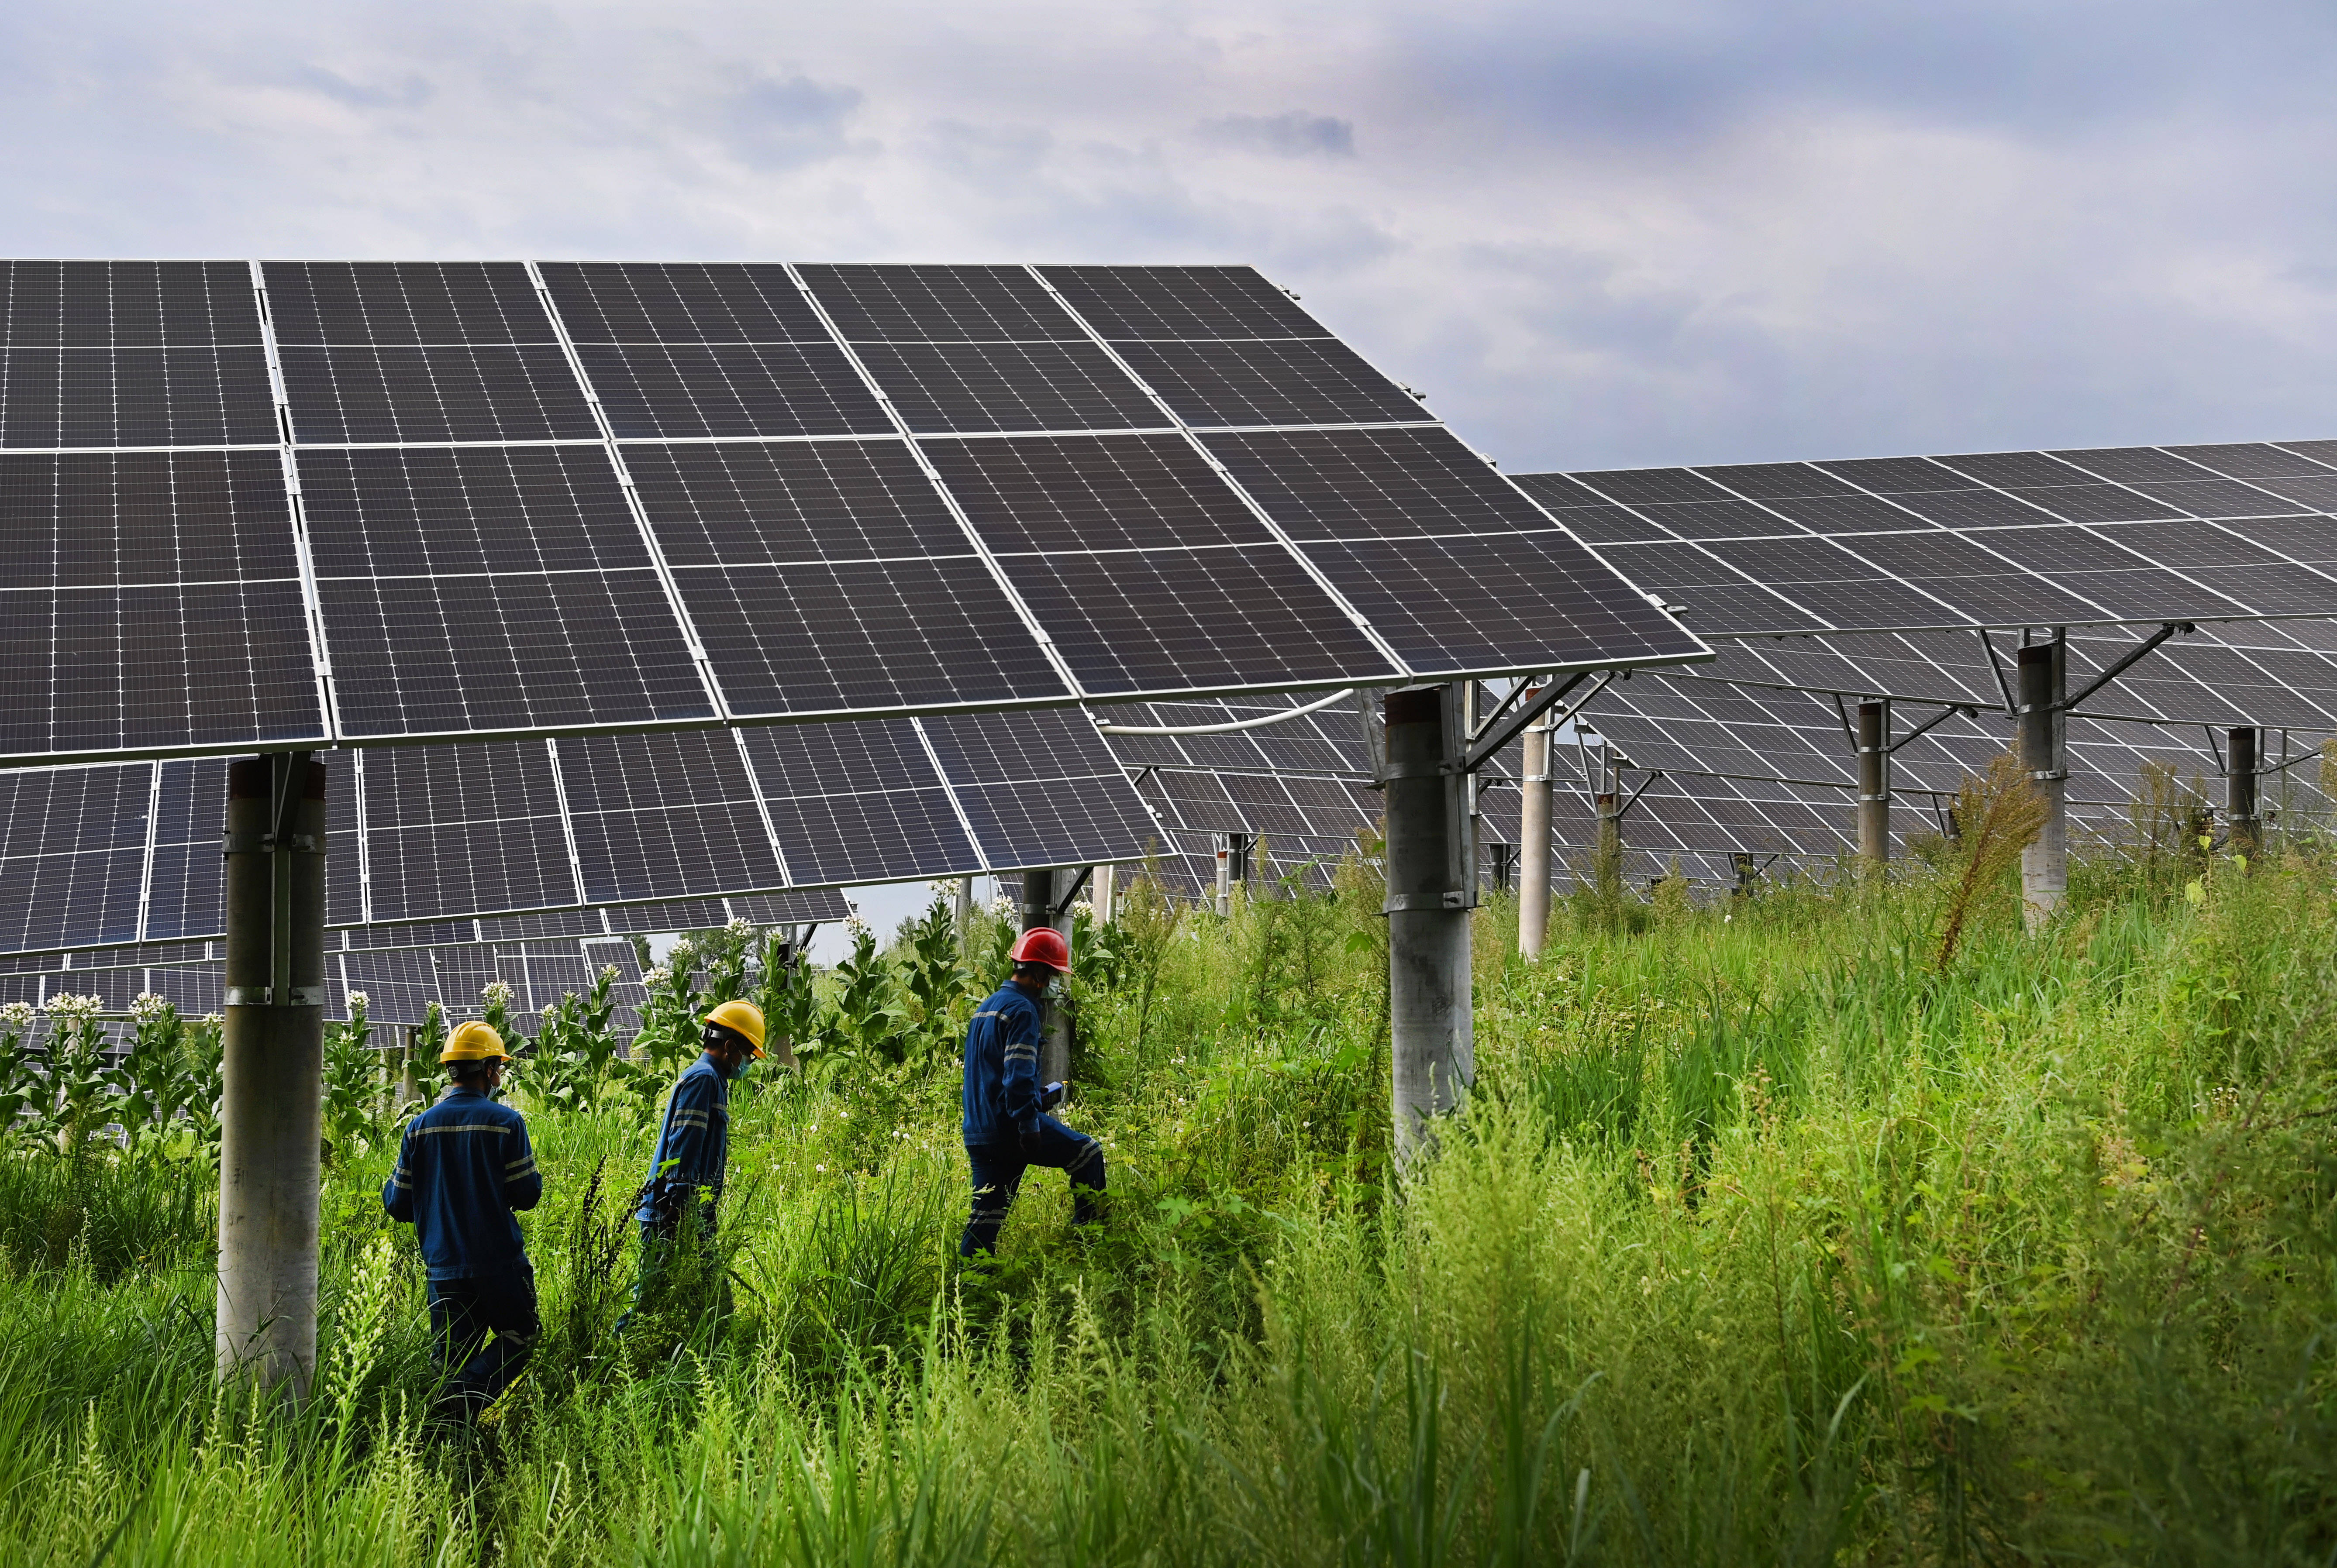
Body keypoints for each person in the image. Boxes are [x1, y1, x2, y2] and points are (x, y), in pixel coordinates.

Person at [382, 1020, 542, 1423]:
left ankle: (440, 1430)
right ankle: (465, 1399)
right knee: (521, 1336)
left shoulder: (418, 1128)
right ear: (488, 1070)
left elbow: (398, 1204)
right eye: (499, 1069)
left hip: (443, 1266)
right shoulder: (506, 1123)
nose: (499, 1076)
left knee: (449, 1358)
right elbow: (527, 1196)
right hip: (500, 1264)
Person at [959, 927, 1105, 1256]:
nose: (1055, 982)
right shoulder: (1023, 1010)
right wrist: (1029, 1126)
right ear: (1038, 973)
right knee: (1088, 1155)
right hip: (1009, 1129)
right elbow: (1017, 1078)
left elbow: (993, 1075)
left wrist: (1035, 1095)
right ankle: (1090, 1246)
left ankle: (968, 1290)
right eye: (1054, 974)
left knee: (986, 1219)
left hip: (979, 1131)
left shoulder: (986, 1008)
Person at [625, 999, 764, 1329]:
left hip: (687, 1210)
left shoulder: (711, 1079)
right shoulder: (704, 1079)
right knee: (650, 1301)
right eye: (747, 1054)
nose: (748, 1063)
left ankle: (707, 1353)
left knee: (706, 1300)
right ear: (729, 1047)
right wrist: (680, 1208)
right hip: (673, 1211)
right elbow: (684, 1145)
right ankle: (620, 1355)